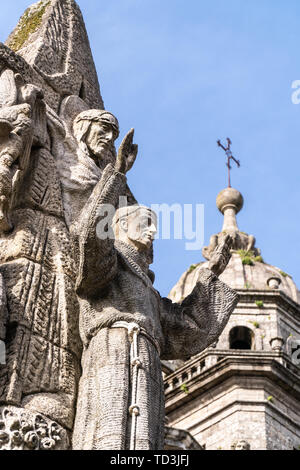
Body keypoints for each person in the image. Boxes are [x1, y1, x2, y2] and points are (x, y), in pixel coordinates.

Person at [71, 130, 238, 450]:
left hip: (147, 358)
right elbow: (90, 238)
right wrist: (116, 176)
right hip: (111, 348)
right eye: (145, 222)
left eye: (155, 226)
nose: (152, 231)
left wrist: (211, 272)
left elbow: (188, 328)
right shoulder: (110, 263)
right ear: (119, 226)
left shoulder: (147, 289)